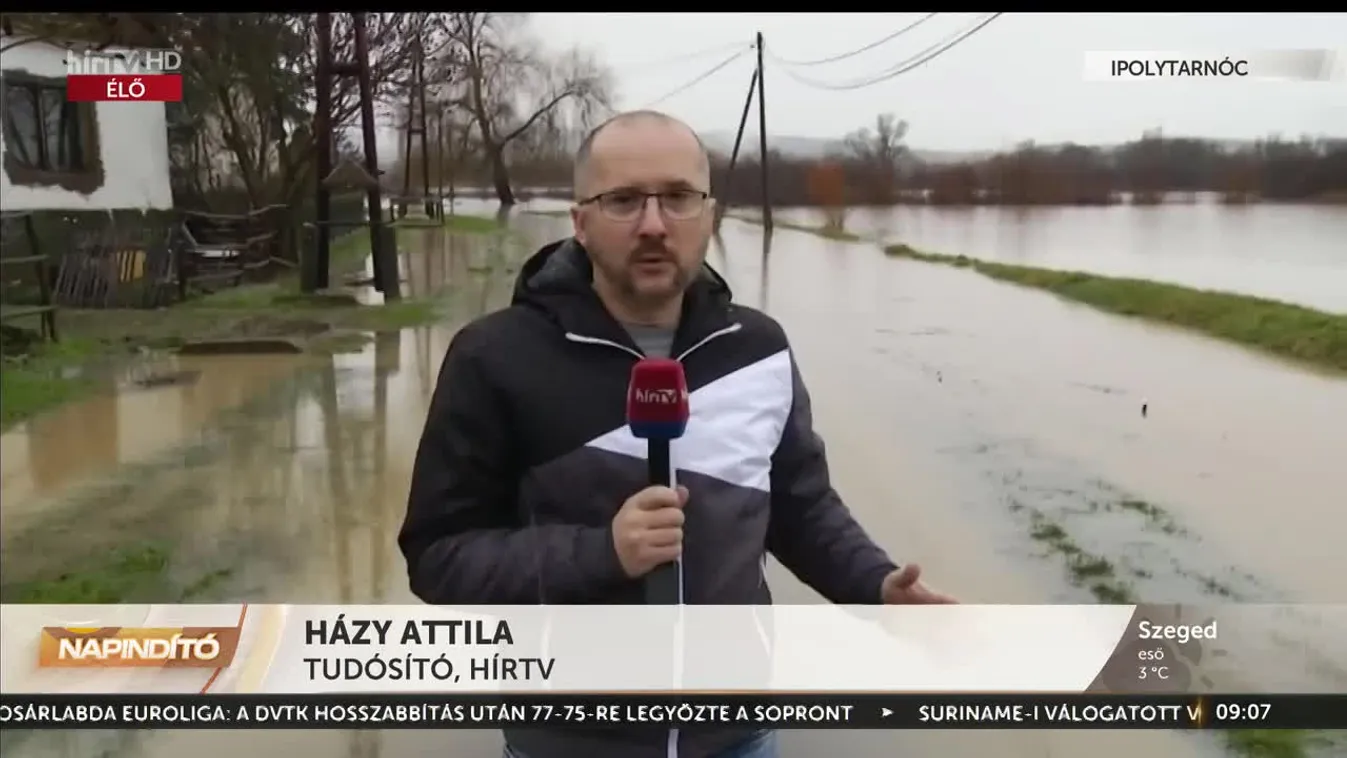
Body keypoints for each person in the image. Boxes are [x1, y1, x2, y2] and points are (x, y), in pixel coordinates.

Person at [399, 110, 957, 758]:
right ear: (579, 222)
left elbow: (800, 508)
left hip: (737, 736)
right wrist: (599, 552)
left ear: (709, 216)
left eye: (677, 197)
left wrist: (876, 583)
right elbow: (438, 556)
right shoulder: (493, 358)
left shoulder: (758, 349)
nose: (654, 224)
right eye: (623, 200)